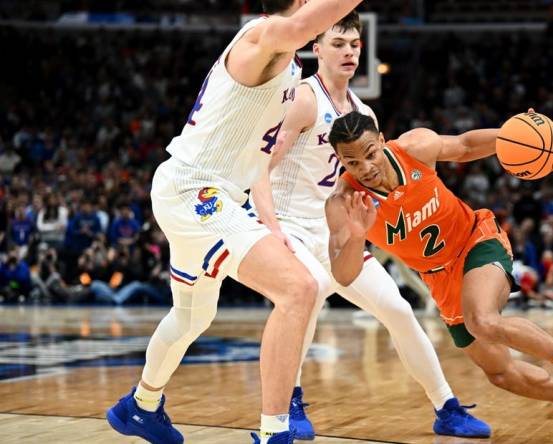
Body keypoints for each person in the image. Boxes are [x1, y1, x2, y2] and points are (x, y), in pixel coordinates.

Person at [105, 1, 365, 443]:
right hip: (196, 190)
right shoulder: (262, 37)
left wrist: (270, 225)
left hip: (217, 194)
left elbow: (258, 160)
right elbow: (302, 25)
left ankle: (142, 406)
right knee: (298, 289)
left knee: (191, 317)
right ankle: (273, 433)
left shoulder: (287, 60)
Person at [324, 111, 553, 444]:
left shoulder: (414, 147)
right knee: (500, 373)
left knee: (482, 320)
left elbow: (464, 146)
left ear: (381, 141)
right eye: (352, 162)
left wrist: (515, 132)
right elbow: (344, 275)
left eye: (370, 154)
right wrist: (359, 235)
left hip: (475, 239)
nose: (365, 168)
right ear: (339, 160)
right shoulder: (342, 203)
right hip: (439, 276)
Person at [263, 12, 488, 439]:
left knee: (399, 310)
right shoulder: (304, 98)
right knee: (306, 300)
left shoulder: (364, 112)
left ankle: (447, 407)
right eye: (337, 44)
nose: (348, 52)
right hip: (293, 226)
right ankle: (289, 403)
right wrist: (268, 225)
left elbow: (379, 185)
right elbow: (264, 163)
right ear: (317, 48)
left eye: (353, 45)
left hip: (340, 229)